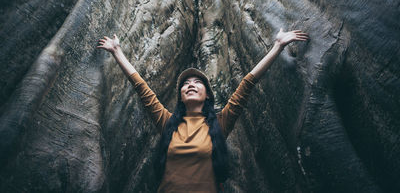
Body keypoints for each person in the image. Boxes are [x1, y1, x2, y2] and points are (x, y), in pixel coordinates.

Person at [97, 28, 308, 192]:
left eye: (197, 82)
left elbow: (247, 84)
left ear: (207, 94)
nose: (190, 84)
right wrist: (117, 51)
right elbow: (141, 88)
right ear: (180, 95)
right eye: (185, 83)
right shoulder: (167, 122)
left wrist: (278, 46)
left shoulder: (219, 124)